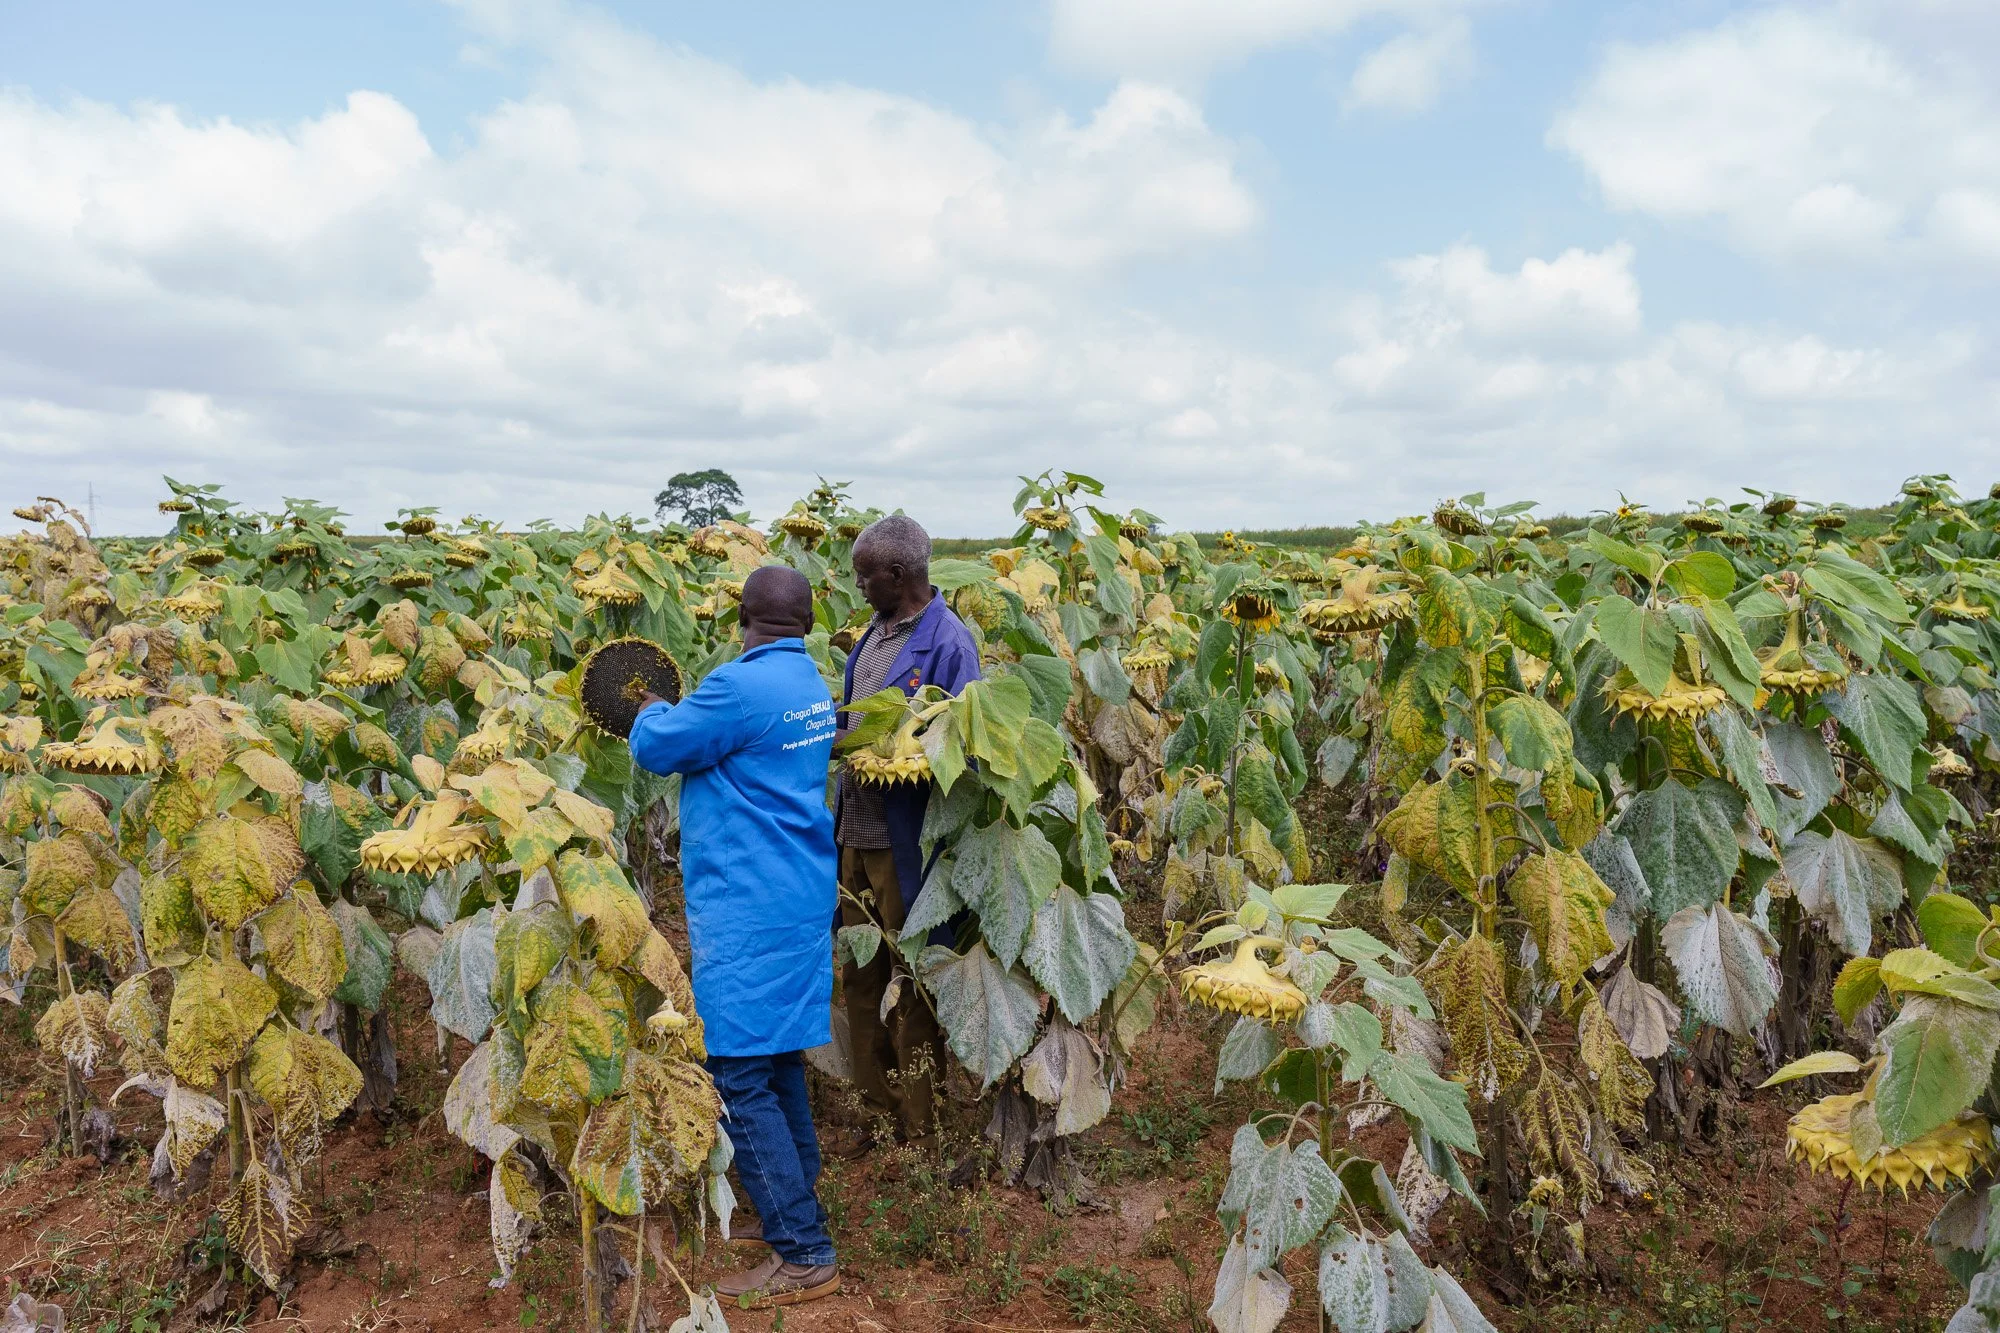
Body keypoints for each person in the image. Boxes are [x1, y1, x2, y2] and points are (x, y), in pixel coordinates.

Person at [628, 564, 840, 1309]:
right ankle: (789, 1202)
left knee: (737, 1071)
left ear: (743, 616)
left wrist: (651, 707)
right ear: (806, 621)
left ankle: (805, 1249)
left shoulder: (738, 686)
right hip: (798, 891)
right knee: (776, 1055)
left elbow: (659, 748)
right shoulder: (810, 685)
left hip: (748, 902)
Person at [835, 515, 981, 1149]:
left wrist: (897, 753)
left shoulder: (949, 644)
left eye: (866, 576)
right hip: (856, 835)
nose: (858, 586)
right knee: (861, 978)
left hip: (908, 842)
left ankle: (923, 1124)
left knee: (915, 981)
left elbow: (966, 755)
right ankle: (877, 1110)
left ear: (899, 575)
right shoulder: (873, 633)